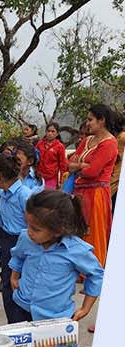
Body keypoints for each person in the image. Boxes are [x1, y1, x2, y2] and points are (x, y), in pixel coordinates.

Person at [8, 190, 104, 329]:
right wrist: (14, 276)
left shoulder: (77, 250)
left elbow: (96, 275)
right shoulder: (26, 238)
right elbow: (18, 255)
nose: (29, 231)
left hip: (55, 317)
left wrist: (85, 308)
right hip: (21, 306)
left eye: (36, 229)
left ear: (58, 231)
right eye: (27, 224)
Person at [0, 155, 40, 322]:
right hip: (8, 243)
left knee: (22, 284)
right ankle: (13, 324)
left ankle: (25, 323)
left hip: (24, 245)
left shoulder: (24, 195)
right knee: (7, 283)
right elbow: (5, 221)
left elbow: (35, 225)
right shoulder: (5, 194)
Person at [66, 103, 120, 265]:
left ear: (101, 120)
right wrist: (81, 166)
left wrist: (79, 166)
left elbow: (93, 172)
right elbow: (70, 163)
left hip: (96, 194)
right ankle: (79, 268)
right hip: (79, 192)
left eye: (90, 119)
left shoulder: (109, 143)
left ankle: (92, 271)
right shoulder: (88, 139)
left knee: (93, 233)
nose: (87, 123)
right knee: (77, 230)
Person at [36, 122, 67, 189]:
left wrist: (62, 182)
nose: (50, 133)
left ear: (57, 133)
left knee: (49, 197)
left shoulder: (60, 147)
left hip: (51, 178)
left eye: (53, 131)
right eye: (48, 131)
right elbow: (35, 157)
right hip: (38, 176)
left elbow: (63, 166)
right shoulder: (40, 144)